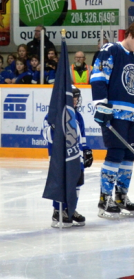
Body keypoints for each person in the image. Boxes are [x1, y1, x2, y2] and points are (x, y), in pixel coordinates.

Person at [91, 21, 134, 219]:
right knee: (116, 153)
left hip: (133, 114)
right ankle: (104, 198)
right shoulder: (111, 50)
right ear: (128, 35)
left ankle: (121, 196)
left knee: (130, 156)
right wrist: (101, 105)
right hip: (115, 113)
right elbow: (98, 77)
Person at [43, 86, 93, 228]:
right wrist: (54, 129)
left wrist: (87, 151)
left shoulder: (78, 116)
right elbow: (46, 134)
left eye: (77, 97)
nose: (76, 100)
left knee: (77, 181)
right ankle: (58, 210)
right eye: (73, 97)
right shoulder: (54, 114)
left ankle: (70, 209)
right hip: (60, 156)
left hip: (76, 155)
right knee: (61, 181)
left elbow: (82, 138)